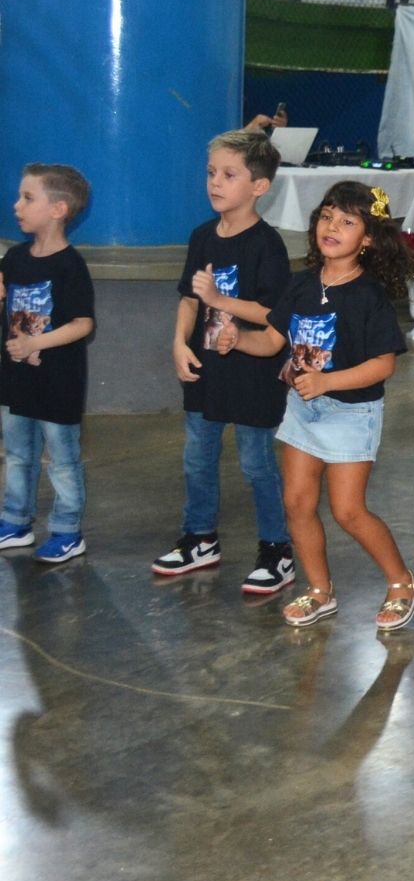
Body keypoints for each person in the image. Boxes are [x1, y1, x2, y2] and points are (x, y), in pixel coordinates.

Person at [216, 181, 414, 631]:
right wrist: (238, 339)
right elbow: (272, 341)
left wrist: (327, 381)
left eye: (347, 222)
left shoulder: (368, 295)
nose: (332, 227)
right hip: (303, 410)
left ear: (368, 239)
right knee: (297, 503)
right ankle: (319, 590)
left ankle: (402, 581)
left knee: (348, 511)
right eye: (327, 217)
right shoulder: (301, 284)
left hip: (351, 413)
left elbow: (383, 365)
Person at [154, 131, 295, 593]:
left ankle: (277, 549)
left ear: (259, 186)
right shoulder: (202, 237)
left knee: (257, 465)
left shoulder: (267, 245)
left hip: (252, 374)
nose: (215, 182)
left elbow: (272, 313)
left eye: (229, 174)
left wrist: (221, 300)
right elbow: (189, 299)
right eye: (211, 172)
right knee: (197, 459)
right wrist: (179, 343)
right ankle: (200, 538)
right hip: (206, 371)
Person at [0, 164, 96, 564]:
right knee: (17, 454)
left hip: (58, 383)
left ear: (58, 210)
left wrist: (35, 342)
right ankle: (15, 520)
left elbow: (83, 324)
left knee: (62, 460)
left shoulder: (70, 265)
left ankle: (68, 530)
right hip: (15, 380)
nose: (16, 205)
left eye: (28, 198)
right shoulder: (14, 258)